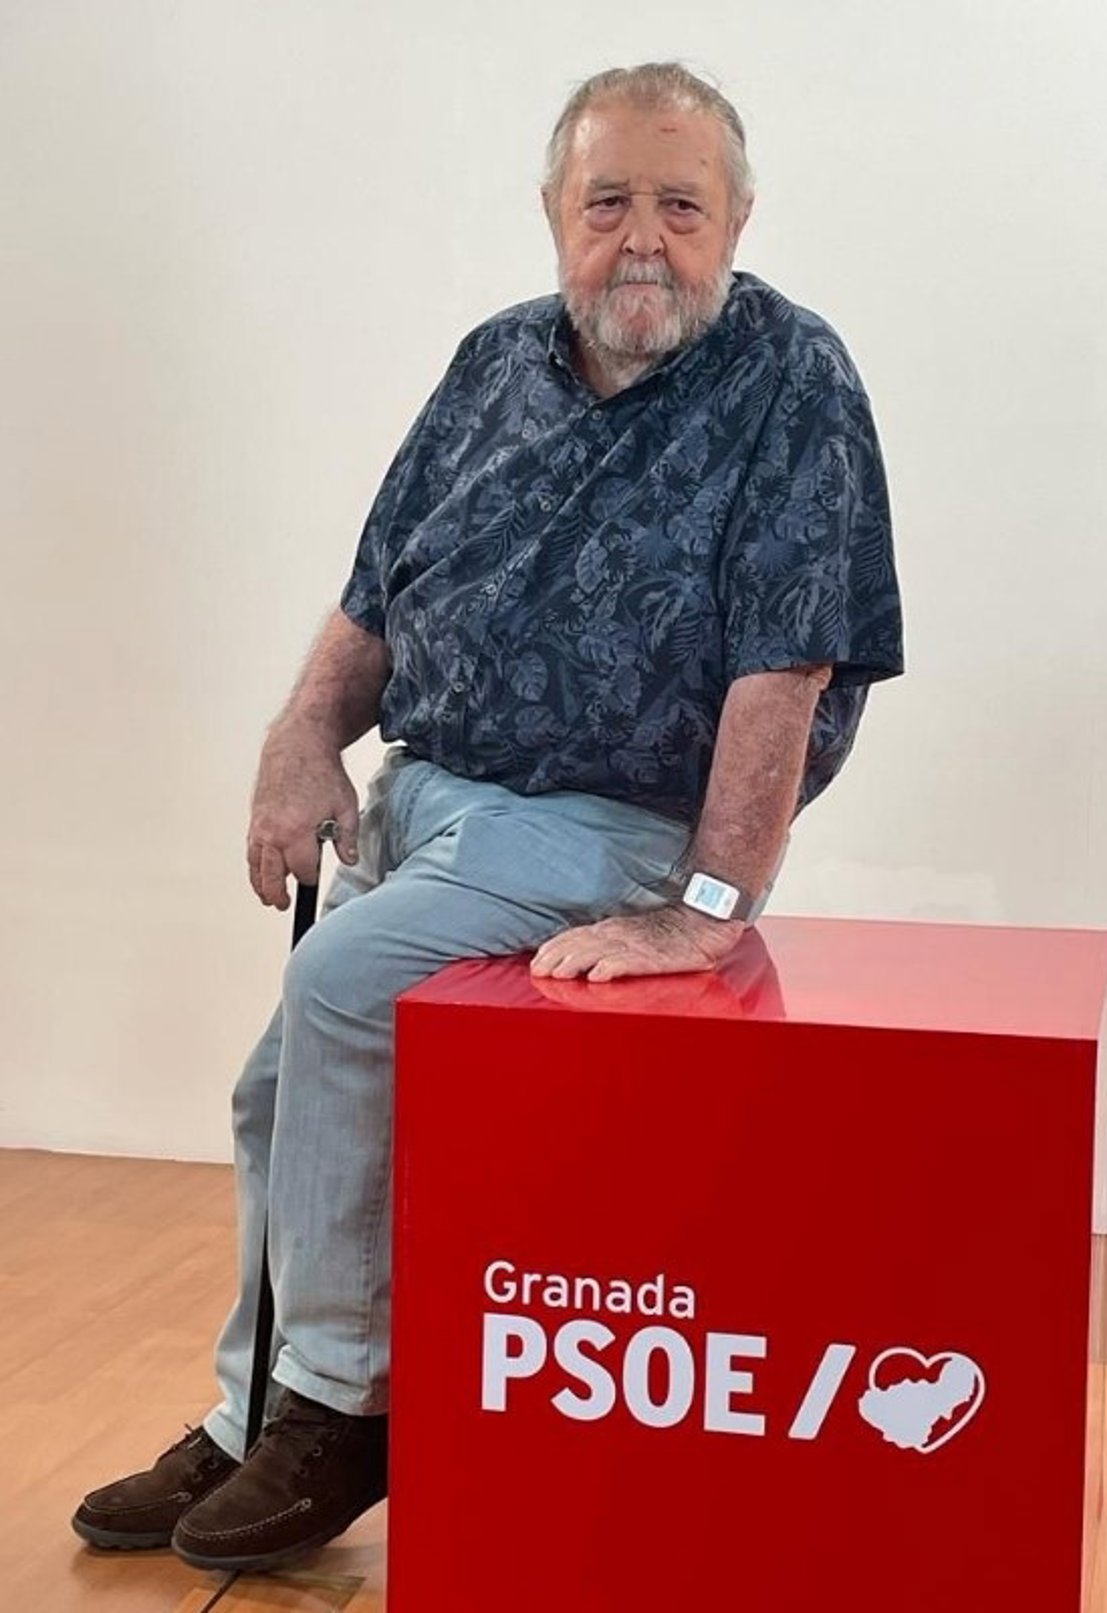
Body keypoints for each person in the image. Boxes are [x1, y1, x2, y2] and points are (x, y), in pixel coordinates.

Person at [71, 61, 903, 1572]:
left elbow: (789, 666)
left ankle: (342, 1405)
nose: (642, 238)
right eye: (607, 201)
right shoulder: (494, 362)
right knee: (279, 1092)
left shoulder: (792, 382)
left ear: (738, 220)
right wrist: (301, 736)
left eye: (680, 205)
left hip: (602, 822)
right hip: (432, 802)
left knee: (339, 986)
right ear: (551, 212)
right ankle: (253, 1406)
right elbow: (379, 589)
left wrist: (708, 913)